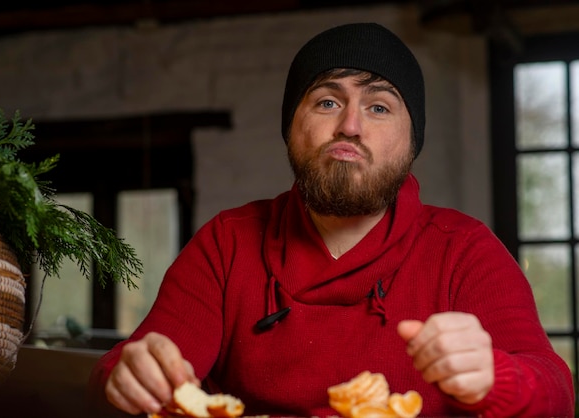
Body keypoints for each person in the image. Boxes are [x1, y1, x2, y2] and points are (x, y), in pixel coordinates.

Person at [87, 22, 575, 417]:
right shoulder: (227, 243)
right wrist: (130, 376)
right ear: (290, 127)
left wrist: (495, 376)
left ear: (412, 143)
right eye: (327, 101)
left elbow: (556, 392)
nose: (350, 125)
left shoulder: (464, 249)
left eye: (379, 106)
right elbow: (125, 366)